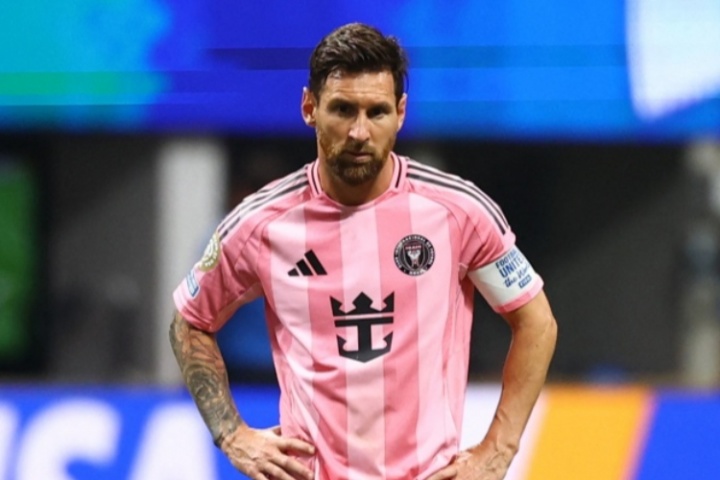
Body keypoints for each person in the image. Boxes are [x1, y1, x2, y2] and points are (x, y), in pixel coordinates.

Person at [169, 22, 557, 480]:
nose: (359, 132)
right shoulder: (260, 224)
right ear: (309, 107)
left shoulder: (458, 211)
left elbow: (536, 321)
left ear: (401, 113)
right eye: (342, 109)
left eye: (377, 112)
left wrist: (499, 449)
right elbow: (190, 321)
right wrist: (232, 435)